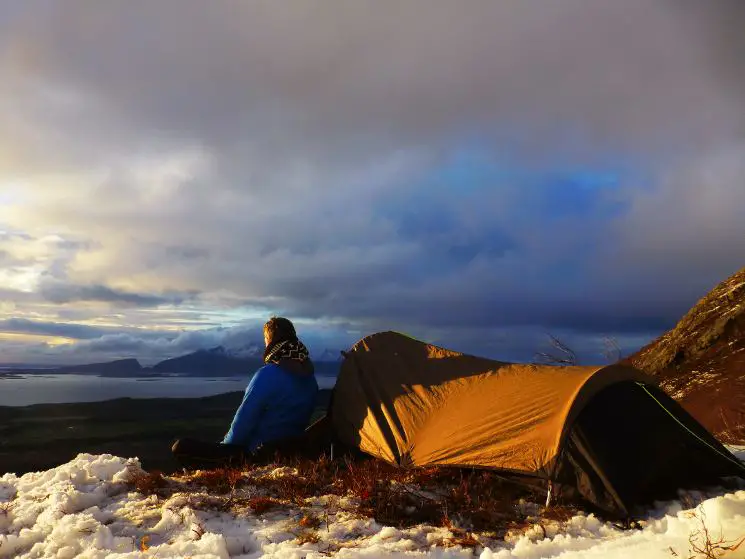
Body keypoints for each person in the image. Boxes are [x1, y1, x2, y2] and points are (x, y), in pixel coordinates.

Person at [171, 317, 319, 469]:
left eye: (265, 340)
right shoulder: (310, 379)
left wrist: (224, 448)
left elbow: (243, 422)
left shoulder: (268, 374)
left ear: (270, 341)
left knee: (181, 447)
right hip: (291, 452)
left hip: (257, 455)